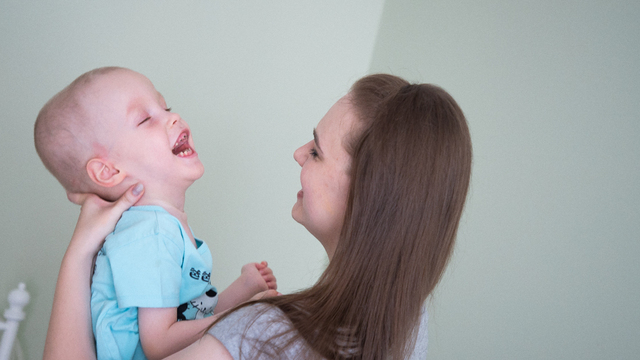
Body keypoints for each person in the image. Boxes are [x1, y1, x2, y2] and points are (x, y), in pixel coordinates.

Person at [43, 73, 472, 360]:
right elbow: (183, 321)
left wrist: (78, 253)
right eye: (145, 119)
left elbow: (170, 334)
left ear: (368, 193)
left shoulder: (264, 331)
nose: (299, 153)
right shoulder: (406, 321)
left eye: (317, 151)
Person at [35, 67, 277, 360]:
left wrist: (243, 290)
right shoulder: (150, 234)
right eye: (145, 119)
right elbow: (161, 344)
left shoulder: (161, 228)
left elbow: (189, 318)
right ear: (108, 171)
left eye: (166, 107)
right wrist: (247, 313)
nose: (173, 117)